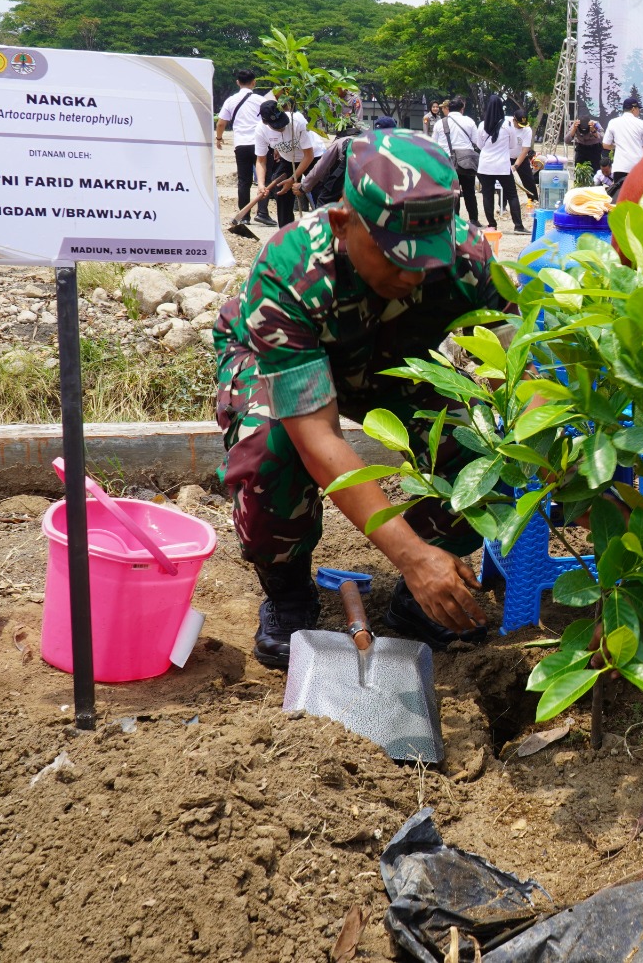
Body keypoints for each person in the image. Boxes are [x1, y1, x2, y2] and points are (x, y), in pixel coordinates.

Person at [214, 130, 502, 669]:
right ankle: (288, 589)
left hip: (392, 363)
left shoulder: (467, 259)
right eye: (395, 257)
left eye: (426, 260)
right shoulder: (294, 267)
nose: (412, 275)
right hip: (279, 359)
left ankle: (420, 602)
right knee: (271, 450)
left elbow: (522, 368)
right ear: (345, 224)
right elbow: (317, 435)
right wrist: (410, 557)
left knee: (485, 451)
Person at [215, 70, 270, 225]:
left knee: (243, 181)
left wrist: (219, 138)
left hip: (241, 144)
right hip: (260, 143)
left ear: (238, 82)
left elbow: (221, 123)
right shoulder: (261, 100)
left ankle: (245, 216)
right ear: (254, 82)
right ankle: (262, 213)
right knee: (264, 178)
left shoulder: (231, 100)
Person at [253, 98, 316, 230]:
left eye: (282, 124)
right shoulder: (261, 130)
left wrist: (292, 179)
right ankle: (286, 234)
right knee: (281, 192)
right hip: (289, 160)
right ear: (266, 122)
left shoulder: (297, 121)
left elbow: (308, 155)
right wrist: (261, 184)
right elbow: (261, 160)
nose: (281, 128)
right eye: (277, 126)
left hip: (313, 157)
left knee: (319, 192)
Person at [473, 94, 526, 234]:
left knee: (487, 195)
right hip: (502, 165)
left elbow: (479, 145)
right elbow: (513, 145)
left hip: (485, 166)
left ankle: (492, 225)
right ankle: (518, 226)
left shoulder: (481, 125)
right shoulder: (508, 125)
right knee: (512, 195)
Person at [433, 98, 482, 228]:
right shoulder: (469, 121)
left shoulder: (440, 123)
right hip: (466, 161)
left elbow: (434, 144)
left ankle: (455, 220)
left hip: (447, 161)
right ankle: (473, 219)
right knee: (469, 191)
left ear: (448, 108)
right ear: (462, 109)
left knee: (452, 192)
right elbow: (476, 141)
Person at [601, 97, 643, 198]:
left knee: (620, 198)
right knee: (637, 198)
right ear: (633, 109)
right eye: (638, 109)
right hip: (637, 167)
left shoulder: (613, 122)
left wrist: (615, 146)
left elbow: (605, 145)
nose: (639, 111)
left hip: (620, 166)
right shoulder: (641, 124)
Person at [511, 110, 538, 202]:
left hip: (521, 158)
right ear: (514, 120)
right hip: (506, 157)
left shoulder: (527, 129)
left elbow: (525, 150)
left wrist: (515, 166)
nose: (521, 127)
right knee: (505, 182)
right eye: (519, 124)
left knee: (529, 181)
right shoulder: (506, 125)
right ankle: (503, 206)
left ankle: (534, 201)